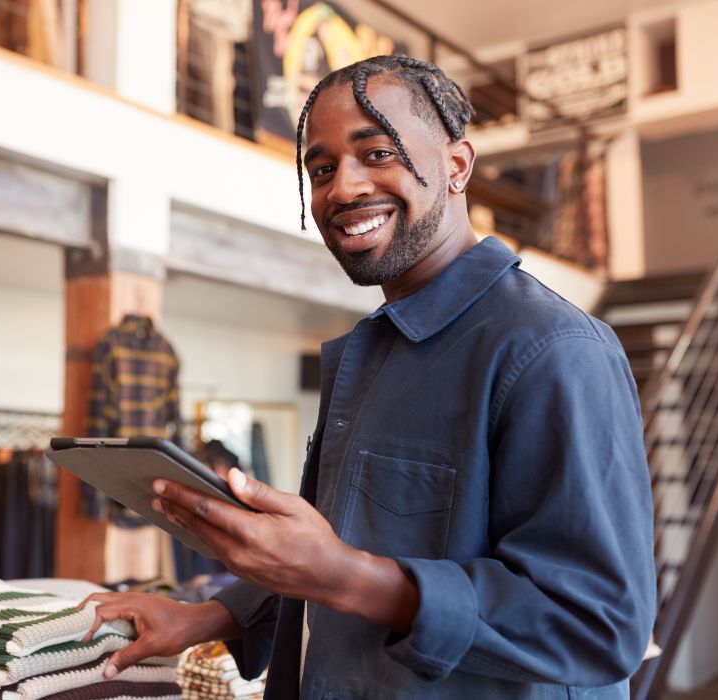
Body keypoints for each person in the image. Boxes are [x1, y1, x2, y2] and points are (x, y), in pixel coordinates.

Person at [79, 55, 656, 698]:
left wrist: (342, 575)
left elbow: (601, 624)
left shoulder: (553, 349)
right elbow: (349, 550)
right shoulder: (373, 349)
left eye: (376, 152)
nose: (344, 189)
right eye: (321, 168)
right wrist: (209, 615)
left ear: (457, 167)